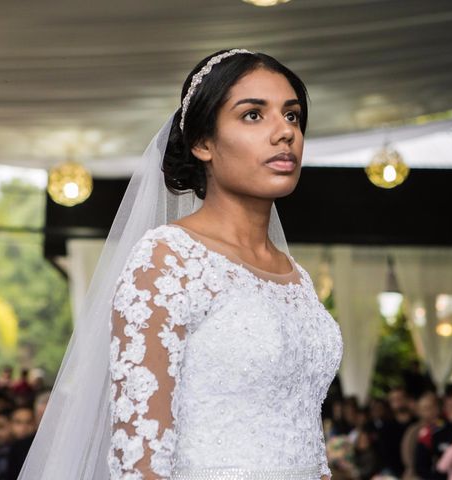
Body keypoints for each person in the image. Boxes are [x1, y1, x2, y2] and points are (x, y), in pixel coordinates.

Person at [18, 49, 343, 480]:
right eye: (253, 115)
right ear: (202, 142)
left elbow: (306, 439)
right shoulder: (168, 262)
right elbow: (139, 461)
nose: (284, 132)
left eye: (292, 116)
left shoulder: (295, 277)